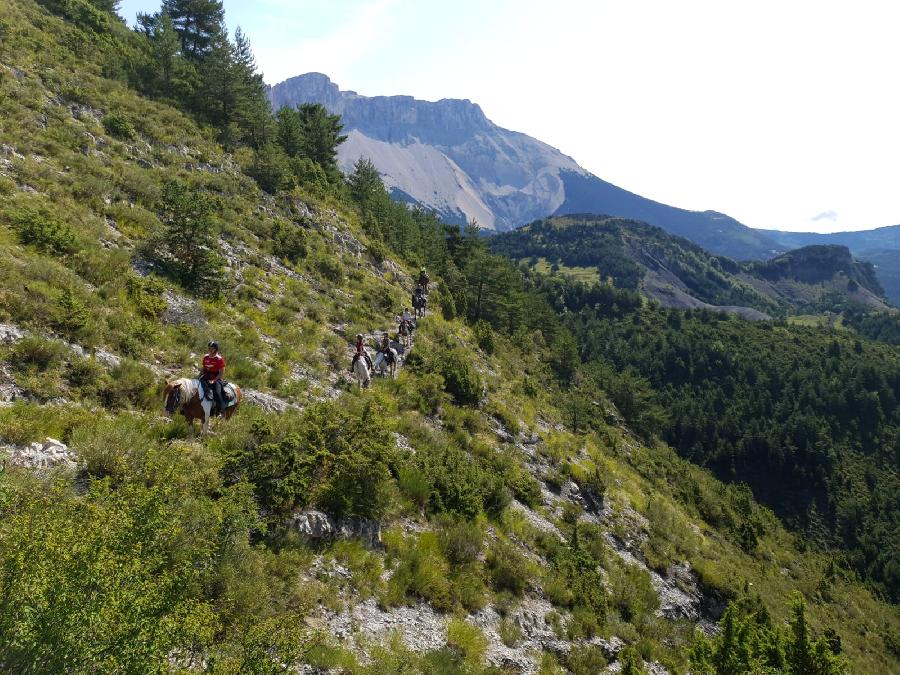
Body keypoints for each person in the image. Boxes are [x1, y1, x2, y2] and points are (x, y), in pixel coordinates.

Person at [200, 341, 226, 416]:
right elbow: (203, 368)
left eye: (212, 348)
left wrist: (213, 381)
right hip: (206, 376)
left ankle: (220, 411)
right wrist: (198, 376)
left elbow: (221, 373)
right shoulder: (206, 357)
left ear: (216, 349)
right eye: (209, 348)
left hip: (216, 378)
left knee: (217, 393)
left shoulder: (219, 359)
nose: (210, 350)